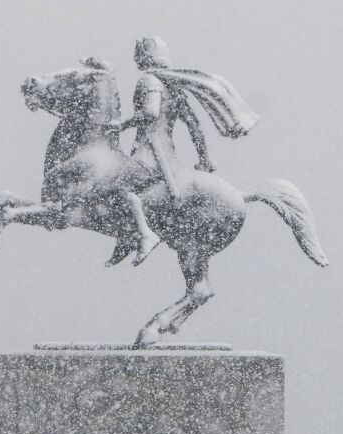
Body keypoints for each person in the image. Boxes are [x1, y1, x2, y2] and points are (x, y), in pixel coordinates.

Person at [110, 36, 258, 266]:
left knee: (114, 187)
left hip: (150, 151)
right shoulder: (173, 86)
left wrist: (122, 125)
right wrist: (204, 158)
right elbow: (194, 125)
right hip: (169, 156)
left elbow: (150, 113)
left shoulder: (149, 80)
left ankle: (142, 235)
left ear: (142, 56)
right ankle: (130, 236)